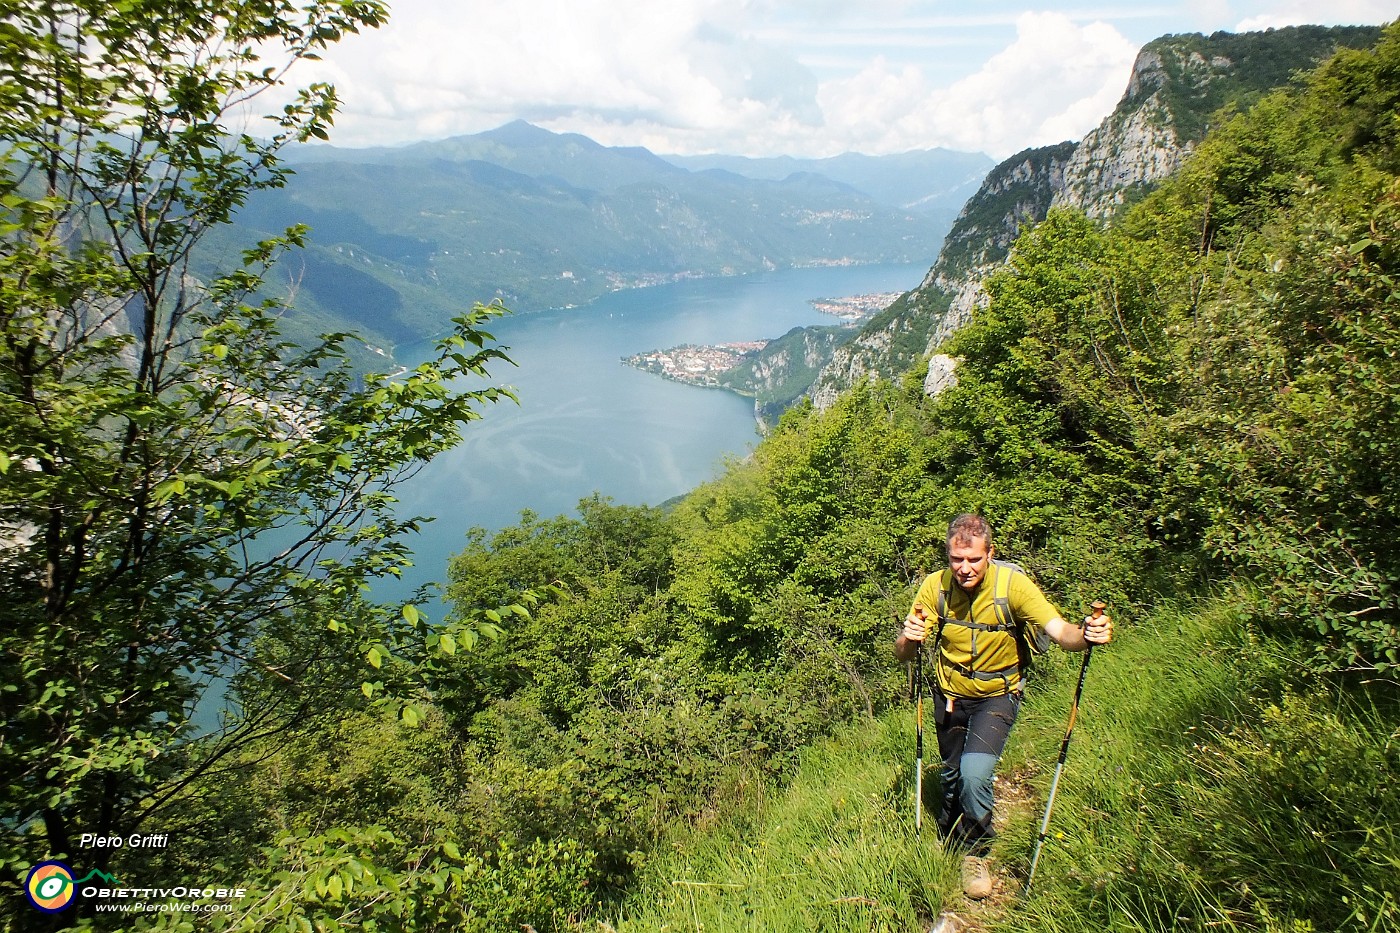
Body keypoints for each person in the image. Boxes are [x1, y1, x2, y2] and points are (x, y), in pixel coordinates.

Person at [895, 513, 1113, 899]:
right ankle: (949, 838)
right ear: (948, 556)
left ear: (990, 553)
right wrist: (908, 639)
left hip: (998, 693)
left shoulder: (1013, 585)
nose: (964, 569)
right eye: (956, 560)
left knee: (975, 773)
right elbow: (903, 653)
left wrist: (1088, 633)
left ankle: (976, 853)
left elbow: (1061, 632)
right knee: (949, 777)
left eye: (974, 560)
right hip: (949, 694)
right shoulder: (935, 587)